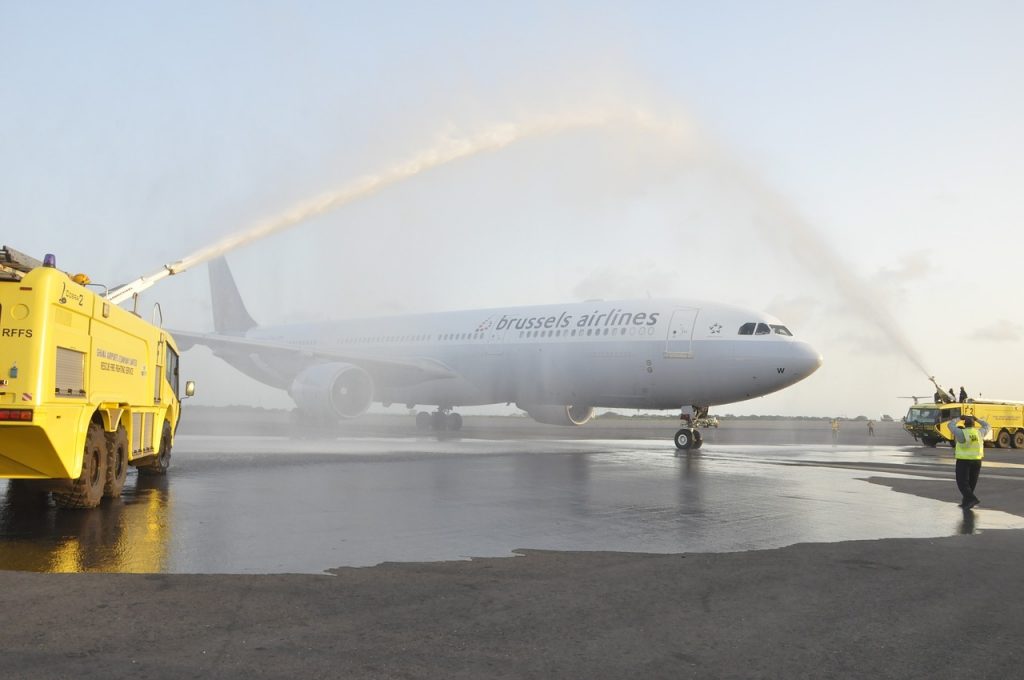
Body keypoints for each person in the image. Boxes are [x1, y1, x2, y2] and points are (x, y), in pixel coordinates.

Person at [946, 414, 991, 508]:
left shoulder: (961, 433)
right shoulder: (979, 433)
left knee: (962, 482)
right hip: (977, 461)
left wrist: (959, 418)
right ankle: (967, 502)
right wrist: (977, 418)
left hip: (964, 460)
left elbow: (950, 425)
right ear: (974, 424)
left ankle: (971, 499)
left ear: (965, 424)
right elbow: (987, 426)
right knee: (971, 483)